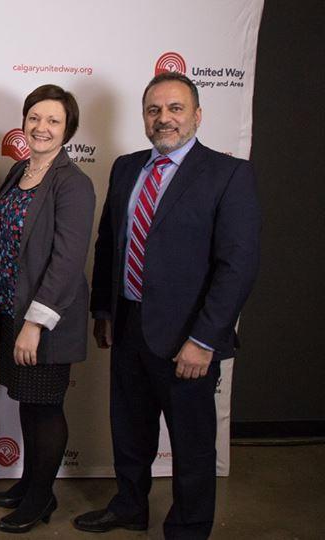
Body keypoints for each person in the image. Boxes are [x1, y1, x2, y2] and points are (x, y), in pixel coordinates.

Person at [74, 72, 260, 539]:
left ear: (197, 115)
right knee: (130, 430)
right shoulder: (125, 167)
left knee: (192, 444)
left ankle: (189, 528)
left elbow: (236, 267)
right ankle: (129, 507)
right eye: (154, 110)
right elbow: (108, 244)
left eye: (176, 108)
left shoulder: (227, 173)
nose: (165, 119)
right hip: (129, 324)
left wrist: (204, 340)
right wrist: (103, 311)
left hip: (187, 337)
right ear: (143, 118)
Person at [0, 85, 95, 533]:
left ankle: (40, 499)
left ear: (68, 128)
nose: (41, 127)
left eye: (53, 120)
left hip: (45, 320)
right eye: (34, 117)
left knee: (46, 407)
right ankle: (31, 484)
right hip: (13, 310)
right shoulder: (19, 170)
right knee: (28, 404)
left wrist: (34, 324)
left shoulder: (73, 182)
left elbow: (67, 262)